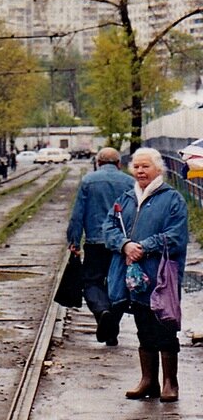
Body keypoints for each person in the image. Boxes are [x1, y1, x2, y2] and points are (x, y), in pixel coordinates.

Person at [104, 147, 188, 403]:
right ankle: (148, 380)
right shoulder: (127, 198)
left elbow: (176, 236)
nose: (140, 171)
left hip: (161, 276)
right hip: (135, 276)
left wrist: (145, 246)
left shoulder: (172, 199)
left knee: (164, 326)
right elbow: (108, 227)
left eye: (146, 166)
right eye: (137, 167)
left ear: (158, 169)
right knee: (143, 326)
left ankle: (170, 383)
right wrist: (124, 245)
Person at [66, 146, 133, 346]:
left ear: (98, 163)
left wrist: (74, 241)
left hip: (95, 242)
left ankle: (103, 312)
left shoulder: (88, 181)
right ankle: (111, 329)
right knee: (119, 284)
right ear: (119, 164)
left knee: (92, 282)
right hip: (121, 244)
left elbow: (78, 214)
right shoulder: (130, 182)